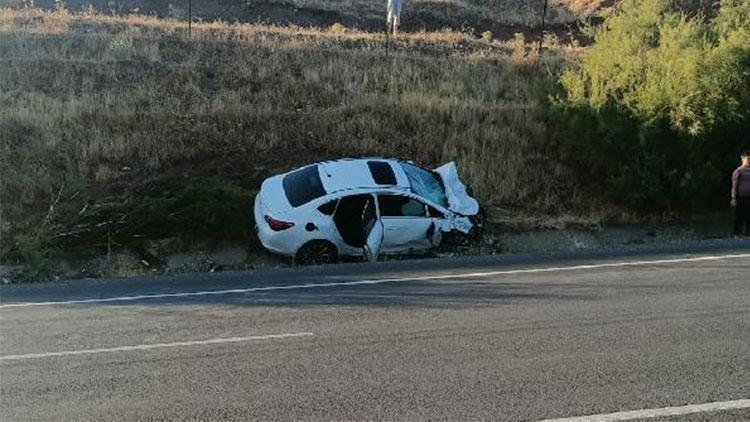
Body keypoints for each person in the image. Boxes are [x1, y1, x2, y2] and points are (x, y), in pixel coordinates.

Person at [730, 149, 750, 236]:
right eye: (748, 158)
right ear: (742, 158)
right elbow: (734, 186)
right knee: (739, 216)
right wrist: (733, 198)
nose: (749, 161)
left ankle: (748, 234)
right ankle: (736, 234)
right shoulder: (738, 171)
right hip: (741, 197)